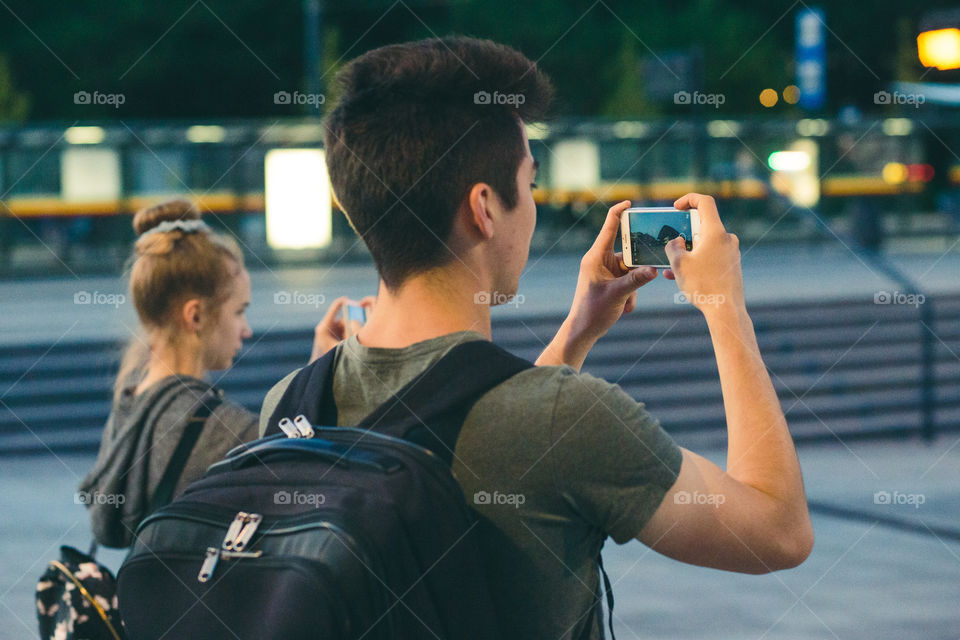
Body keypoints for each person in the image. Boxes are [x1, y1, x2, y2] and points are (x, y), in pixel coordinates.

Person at [260, 37, 813, 639]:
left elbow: (465, 415)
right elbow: (777, 531)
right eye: (528, 181)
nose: (533, 206)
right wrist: (723, 305)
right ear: (485, 208)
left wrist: (576, 333)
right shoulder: (572, 420)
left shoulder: (292, 403)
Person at [79, 199, 368, 548]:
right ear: (196, 316)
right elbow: (305, 475)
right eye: (238, 312)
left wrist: (316, 364)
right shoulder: (216, 428)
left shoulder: (131, 400)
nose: (246, 330)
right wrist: (344, 370)